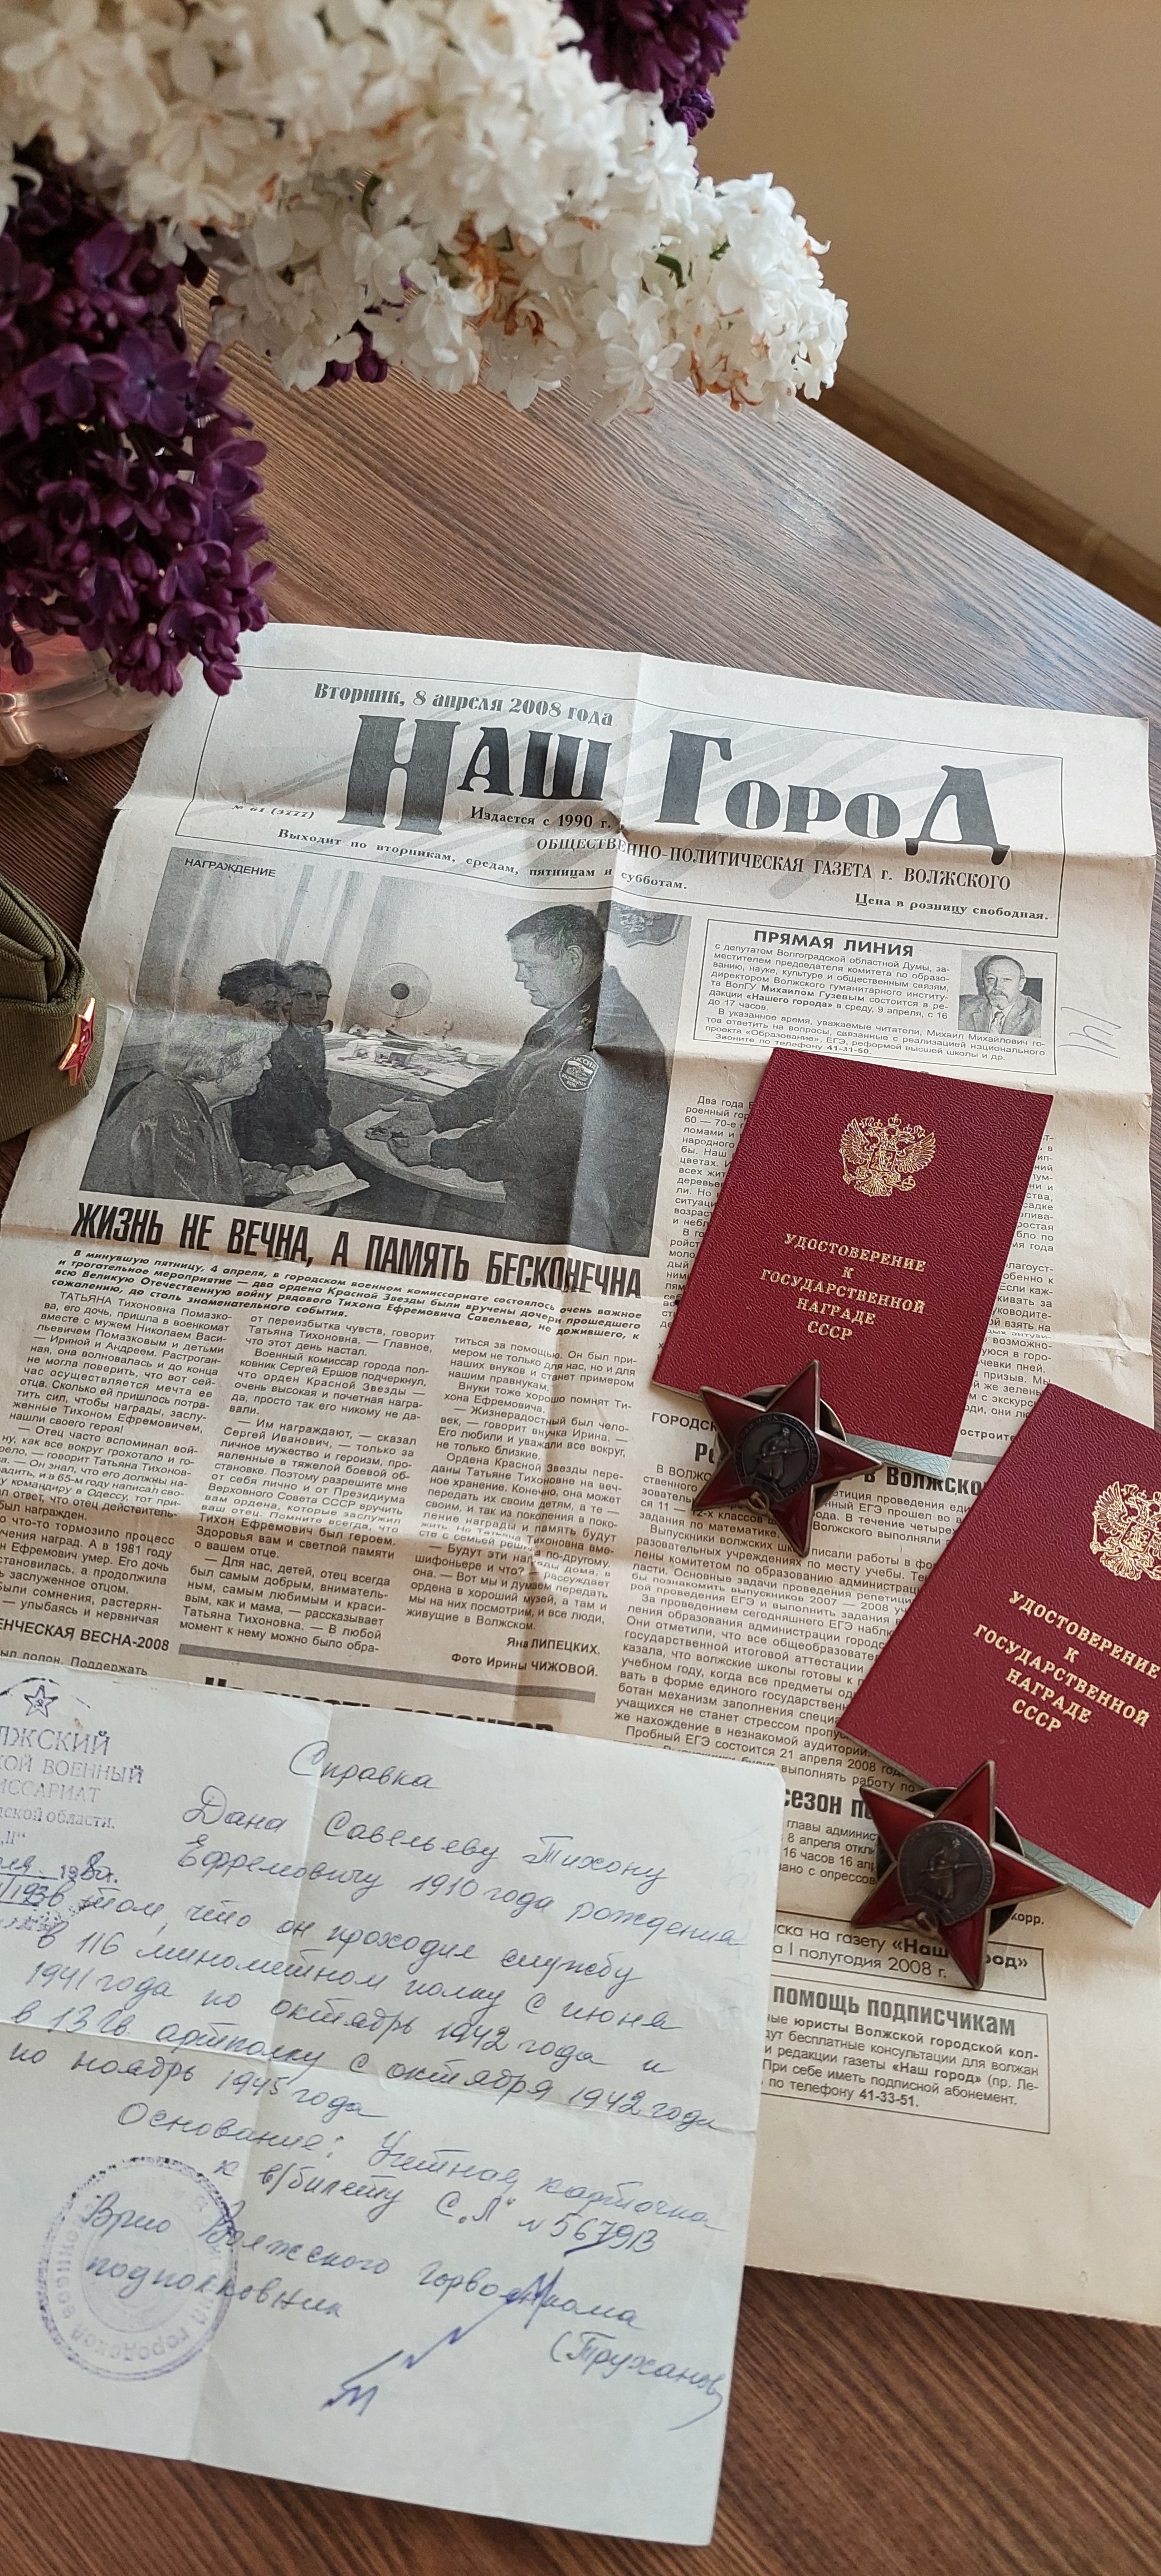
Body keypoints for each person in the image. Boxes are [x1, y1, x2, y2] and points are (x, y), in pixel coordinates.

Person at [386, 905, 670, 1252]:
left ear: (573, 959)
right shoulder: (571, 1011)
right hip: (552, 1198)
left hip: (577, 1217)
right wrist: (435, 1114)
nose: (520, 977)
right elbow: (509, 1078)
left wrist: (436, 1151)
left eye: (530, 966)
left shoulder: (605, 1029)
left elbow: (528, 1142)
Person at [82, 1017, 289, 1204]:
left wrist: (280, 1181)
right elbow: (183, 1214)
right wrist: (279, 1213)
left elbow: (222, 1174)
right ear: (222, 1065)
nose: (268, 1065)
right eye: (260, 1058)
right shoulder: (170, 1118)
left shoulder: (215, 1105)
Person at [232, 959, 335, 1168]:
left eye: (321, 997)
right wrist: (313, 1140)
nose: (314, 1004)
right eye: (304, 995)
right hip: (270, 1141)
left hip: (307, 1132)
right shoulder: (269, 1038)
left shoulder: (315, 1037)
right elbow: (260, 1114)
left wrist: (320, 1131)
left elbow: (318, 1094)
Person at [958, 954, 1042, 1036]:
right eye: (991, 979)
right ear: (983, 982)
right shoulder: (963, 1008)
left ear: (1021, 984)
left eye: (1006, 979)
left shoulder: (1039, 1016)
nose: (997, 987)